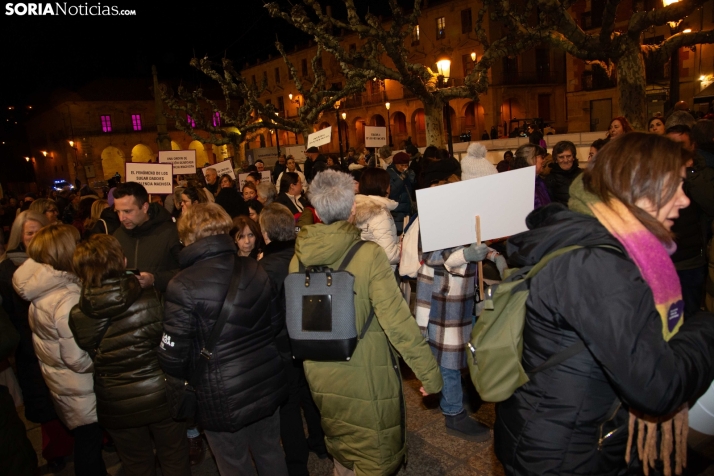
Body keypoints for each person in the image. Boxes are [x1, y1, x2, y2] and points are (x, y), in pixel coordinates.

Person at [495, 132, 714, 475]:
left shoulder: (601, 242)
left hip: (570, 434)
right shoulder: (598, 265)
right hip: (567, 454)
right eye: (676, 186)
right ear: (639, 187)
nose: (685, 201)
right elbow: (657, 387)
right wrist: (706, 326)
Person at [290, 169, 442, 475]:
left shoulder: (299, 259)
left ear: (316, 212)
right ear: (351, 210)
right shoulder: (368, 255)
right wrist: (429, 374)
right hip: (366, 370)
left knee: (342, 443)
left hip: (320, 371)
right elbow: (397, 321)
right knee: (374, 453)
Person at [158, 203, 288, 476]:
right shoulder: (254, 268)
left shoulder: (182, 284)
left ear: (188, 238)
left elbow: (173, 357)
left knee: (233, 463)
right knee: (270, 451)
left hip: (219, 394)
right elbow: (276, 323)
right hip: (264, 380)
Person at [68, 235, 191, 476]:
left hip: (115, 400)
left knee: (136, 464)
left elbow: (87, 350)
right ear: (123, 262)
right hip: (160, 394)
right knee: (174, 455)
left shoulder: (78, 314)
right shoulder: (152, 299)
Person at [13, 224, 106, 476]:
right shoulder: (66, 298)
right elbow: (77, 358)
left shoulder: (43, 291)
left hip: (63, 383)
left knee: (87, 445)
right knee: (89, 445)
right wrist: (104, 359)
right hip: (81, 386)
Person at [258, 203, 327, 475]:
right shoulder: (307, 255)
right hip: (311, 337)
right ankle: (320, 443)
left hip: (282, 344)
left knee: (288, 406)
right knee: (311, 395)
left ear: (265, 233)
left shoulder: (262, 268)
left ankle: (297, 465)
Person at [0, 212, 72, 471]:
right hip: (29, 347)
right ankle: (57, 449)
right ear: (19, 236)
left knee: (71, 395)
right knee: (44, 403)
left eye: (39, 231)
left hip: (62, 340)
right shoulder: (7, 270)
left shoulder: (58, 260)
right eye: (29, 233)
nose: (34, 237)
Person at [666, 125, 714, 316]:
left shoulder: (704, 174)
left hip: (691, 262)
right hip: (663, 262)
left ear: (693, 146)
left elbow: (710, 204)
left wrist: (689, 172)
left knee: (691, 317)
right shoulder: (657, 175)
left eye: (681, 145)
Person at [112, 182, 182, 293]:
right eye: (118, 212)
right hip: (130, 306)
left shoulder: (171, 232)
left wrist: (155, 279)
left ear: (144, 207)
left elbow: (188, 271)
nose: (121, 218)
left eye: (127, 211)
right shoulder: (117, 236)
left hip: (163, 304)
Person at [354, 168, 401, 267]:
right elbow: (389, 256)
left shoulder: (355, 207)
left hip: (362, 267)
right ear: (383, 186)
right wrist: (403, 246)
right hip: (380, 273)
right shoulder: (379, 212)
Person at [544, 140, 583, 206]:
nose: (565, 160)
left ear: (573, 157)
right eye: (561, 157)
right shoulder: (549, 179)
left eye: (568, 156)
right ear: (556, 159)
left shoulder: (583, 175)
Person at [513, 144, 551, 209]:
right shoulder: (522, 186)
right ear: (531, 159)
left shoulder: (538, 180)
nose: (544, 160)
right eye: (542, 157)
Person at [387, 152, 416, 235]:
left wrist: (412, 179)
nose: (404, 168)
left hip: (408, 209)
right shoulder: (389, 173)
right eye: (402, 165)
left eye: (406, 165)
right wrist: (401, 178)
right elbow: (392, 192)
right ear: (395, 164)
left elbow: (412, 189)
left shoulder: (407, 172)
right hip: (396, 210)